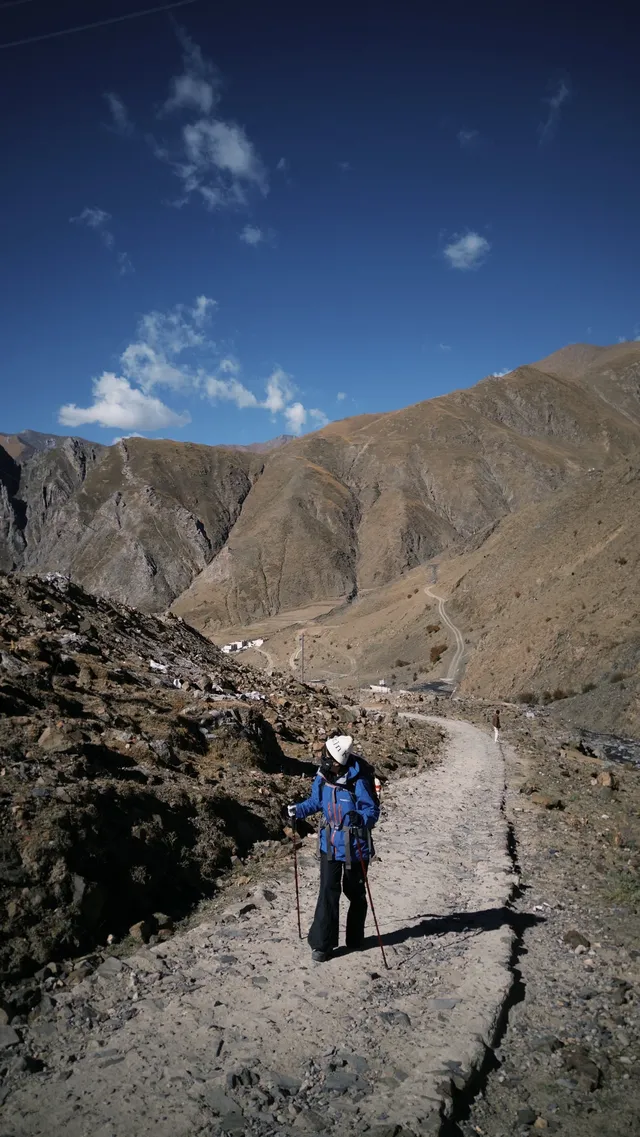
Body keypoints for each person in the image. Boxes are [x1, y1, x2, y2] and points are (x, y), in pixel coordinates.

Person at [287, 734, 379, 963]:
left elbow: (371, 811)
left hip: (355, 847)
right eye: (324, 755)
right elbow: (316, 802)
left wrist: (361, 819)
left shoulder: (359, 780)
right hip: (329, 842)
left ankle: (355, 939)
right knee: (328, 892)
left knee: (355, 893)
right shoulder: (322, 776)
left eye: (328, 757)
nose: (324, 760)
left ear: (339, 761)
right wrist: (296, 810)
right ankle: (322, 945)